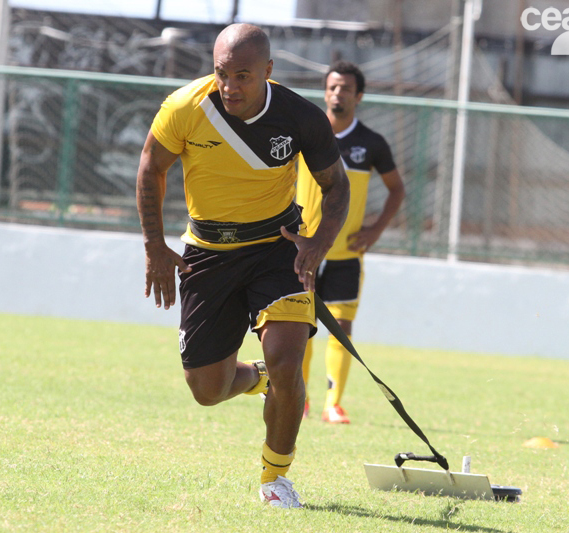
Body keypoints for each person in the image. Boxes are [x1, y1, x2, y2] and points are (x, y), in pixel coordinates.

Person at [135, 24, 349, 509]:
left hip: (277, 249)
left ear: (268, 72)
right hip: (206, 255)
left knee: (289, 360)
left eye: (243, 76)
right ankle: (261, 379)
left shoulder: (300, 116)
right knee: (207, 391)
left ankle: (275, 477)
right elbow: (151, 166)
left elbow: (337, 187)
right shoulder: (185, 107)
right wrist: (154, 245)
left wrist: (317, 244)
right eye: (221, 74)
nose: (229, 86)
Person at [297, 61, 405, 424]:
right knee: (299, 326)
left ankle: (333, 403)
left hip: (346, 253)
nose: (337, 93)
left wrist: (375, 230)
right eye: (332, 87)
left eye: (345, 88)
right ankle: (301, 399)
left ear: (358, 96)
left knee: (341, 327)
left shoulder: (371, 143)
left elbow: (396, 190)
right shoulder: (306, 135)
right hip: (302, 250)